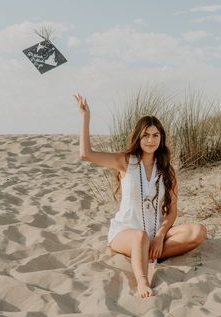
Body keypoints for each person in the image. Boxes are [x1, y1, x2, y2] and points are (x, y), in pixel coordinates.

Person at [74, 93, 207, 299]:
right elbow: (86, 154)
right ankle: (142, 279)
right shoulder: (125, 161)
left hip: (155, 235)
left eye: (155, 135)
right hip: (125, 233)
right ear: (138, 137)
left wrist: (161, 235)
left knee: (198, 231)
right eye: (146, 135)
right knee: (139, 236)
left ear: (161, 138)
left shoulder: (167, 170)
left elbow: (172, 211)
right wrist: (85, 116)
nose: (150, 140)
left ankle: (149, 252)